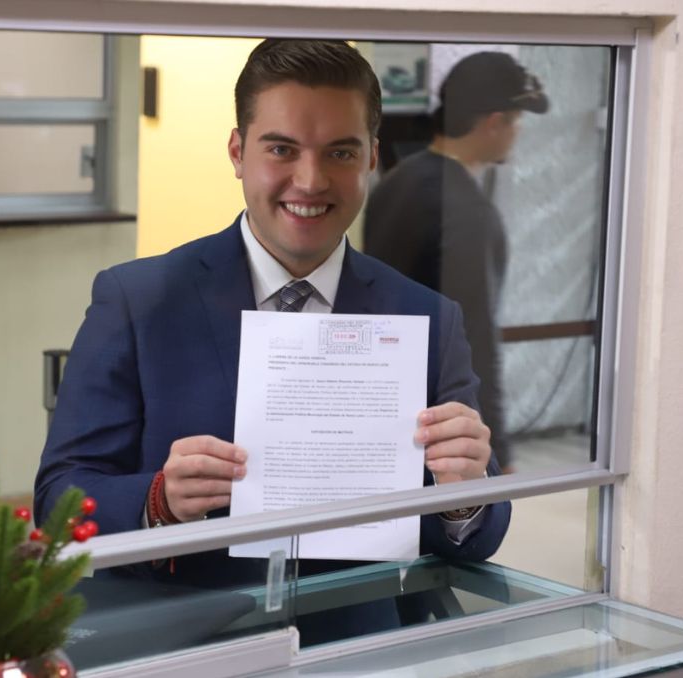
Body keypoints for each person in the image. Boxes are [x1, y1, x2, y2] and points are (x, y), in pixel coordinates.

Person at [34, 39, 510, 642]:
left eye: (340, 152)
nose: (310, 181)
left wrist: (463, 497)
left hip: (354, 646)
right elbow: (59, 500)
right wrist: (158, 500)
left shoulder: (427, 318)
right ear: (238, 152)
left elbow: (477, 533)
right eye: (282, 149)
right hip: (183, 646)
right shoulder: (138, 300)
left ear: (371, 157)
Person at [364, 51, 549, 474]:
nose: (518, 132)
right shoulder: (465, 209)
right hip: (438, 426)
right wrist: (496, 453)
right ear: (493, 123)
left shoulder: (397, 181)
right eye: (517, 120)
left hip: (381, 401)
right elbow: (475, 335)